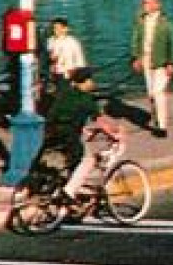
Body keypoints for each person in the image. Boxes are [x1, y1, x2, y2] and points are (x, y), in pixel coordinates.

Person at [45, 67, 121, 200]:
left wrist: (84, 130)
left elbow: (60, 114)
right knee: (88, 160)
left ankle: (74, 193)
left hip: (52, 132)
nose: (93, 82)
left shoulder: (64, 93)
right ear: (84, 82)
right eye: (90, 79)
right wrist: (114, 134)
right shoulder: (86, 99)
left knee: (73, 161)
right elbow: (100, 121)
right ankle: (69, 191)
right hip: (69, 134)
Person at [130, 0, 173, 138]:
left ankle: (162, 127)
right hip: (146, 61)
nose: (146, 6)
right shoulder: (140, 22)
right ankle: (156, 120)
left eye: (150, 3)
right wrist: (135, 57)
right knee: (151, 95)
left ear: (158, 5)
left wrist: (171, 62)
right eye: (144, 3)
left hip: (161, 63)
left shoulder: (166, 23)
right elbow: (135, 40)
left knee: (158, 93)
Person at [45, 18, 87, 89]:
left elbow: (80, 62)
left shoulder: (73, 42)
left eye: (58, 28)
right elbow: (50, 58)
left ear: (65, 29)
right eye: (54, 28)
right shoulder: (50, 41)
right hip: (55, 74)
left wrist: (75, 77)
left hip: (69, 74)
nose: (55, 31)